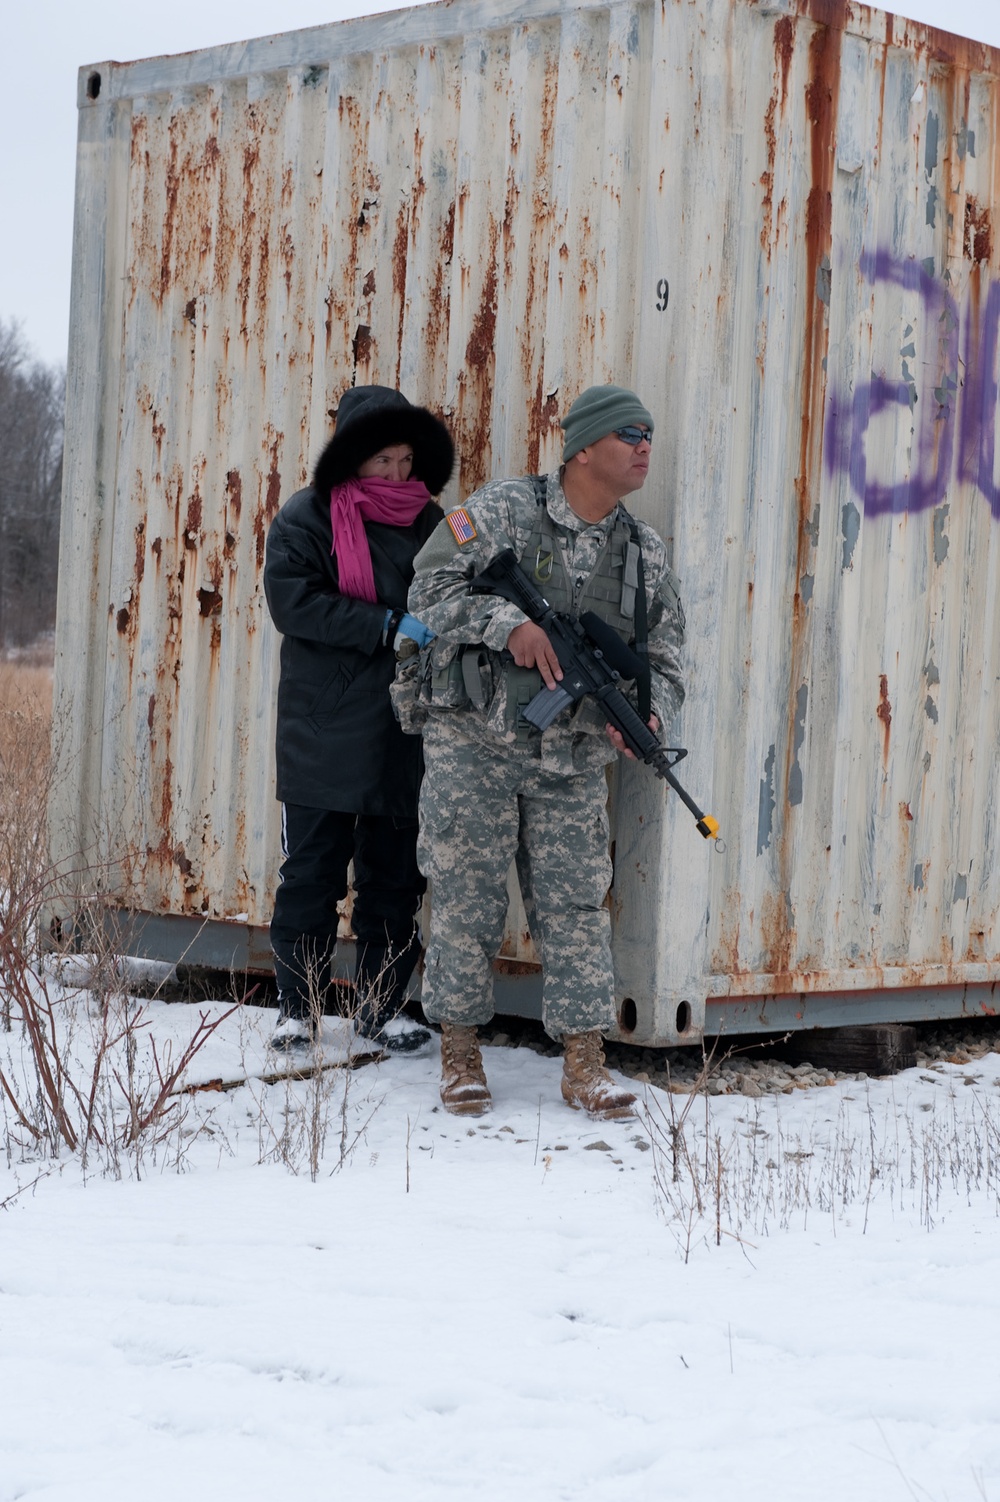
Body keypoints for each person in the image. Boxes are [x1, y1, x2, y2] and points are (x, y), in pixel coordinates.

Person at [408, 383, 686, 1119]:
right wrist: (508, 625)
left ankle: (586, 1063)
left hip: (571, 758)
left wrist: (649, 716)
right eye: (630, 433)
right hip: (477, 742)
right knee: (467, 896)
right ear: (584, 446)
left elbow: (667, 654)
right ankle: (460, 1052)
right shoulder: (503, 510)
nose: (644, 446)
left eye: (649, 434)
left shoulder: (641, 552)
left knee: (574, 906)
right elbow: (427, 588)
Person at [263, 384, 453, 1052]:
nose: (399, 475)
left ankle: (385, 1006)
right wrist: (385, 625)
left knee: (395, 878)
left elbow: (459, 591)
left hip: (404, 729)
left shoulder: (431, 523)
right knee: (313, 873)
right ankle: (297, 1006)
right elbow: (296, 605)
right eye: (384, 462)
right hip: (322, 725)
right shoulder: (306, 519)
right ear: (352, 459)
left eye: (406, 461)